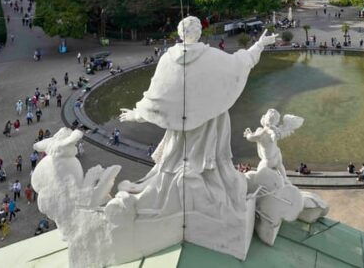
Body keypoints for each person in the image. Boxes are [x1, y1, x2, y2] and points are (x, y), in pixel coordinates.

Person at [115, 17, 276, 235]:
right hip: (211, 123)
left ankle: (176, 199)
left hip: (179, 128)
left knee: (175, 161)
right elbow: (242, 62)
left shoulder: (167, 60)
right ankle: (213, 199)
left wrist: (138, 115)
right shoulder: (212, 57)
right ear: (198, 32)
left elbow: (156, 97)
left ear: (180, 34)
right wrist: (260, 45)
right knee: (210, 166)